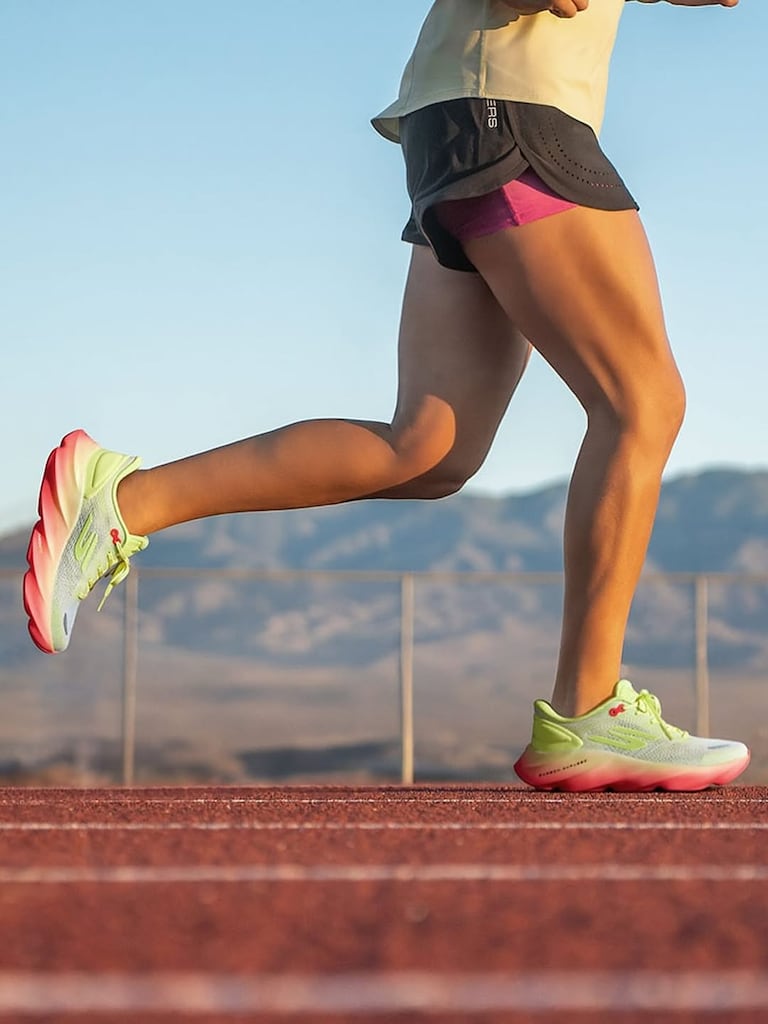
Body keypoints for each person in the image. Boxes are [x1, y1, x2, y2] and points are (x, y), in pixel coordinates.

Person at [23, 0, 749, 791]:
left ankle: (123, 500)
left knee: (430, 449)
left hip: (469, 125)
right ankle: (591, 709)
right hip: (514, 117)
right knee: (642, 403)